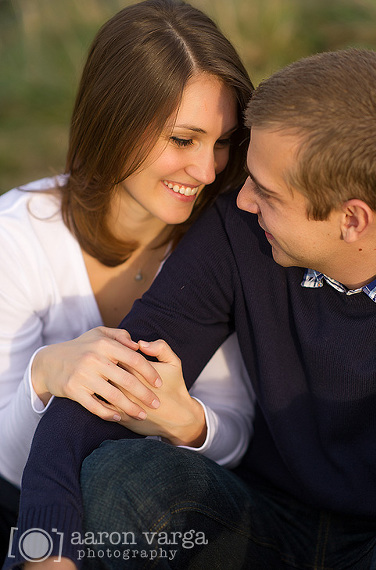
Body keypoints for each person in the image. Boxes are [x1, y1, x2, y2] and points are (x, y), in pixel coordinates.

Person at [5, 47, 376, 570]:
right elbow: (115, 380)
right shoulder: (239, 231)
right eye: (185, 139)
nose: (230, 191)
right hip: (255, 512)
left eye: (266, 191)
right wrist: (46, 552)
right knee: (120, 477)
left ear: (353, 220)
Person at [0, 0, 256, 558]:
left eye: (222, 142)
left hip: (169, 516)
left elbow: (238, 435)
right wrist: (45, 376)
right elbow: (9, 466)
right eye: (183, 140)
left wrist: (187, 421)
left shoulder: (229, 239)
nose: (208, 170)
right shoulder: (16, 241)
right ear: (114, 120)